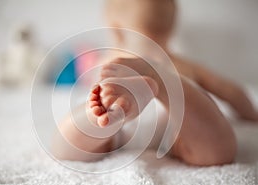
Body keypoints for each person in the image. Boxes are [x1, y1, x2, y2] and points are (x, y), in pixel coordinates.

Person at [51, 0, 257, 166]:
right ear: (170, 29)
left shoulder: (106, 62)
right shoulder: (181, 63)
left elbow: (71, 81)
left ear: (115, 29)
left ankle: (99, 114)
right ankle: (165, 83)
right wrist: (252, 115)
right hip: (173, 124)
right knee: (217, 151)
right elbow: (229, 90)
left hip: (118, 129)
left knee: (65, 147)